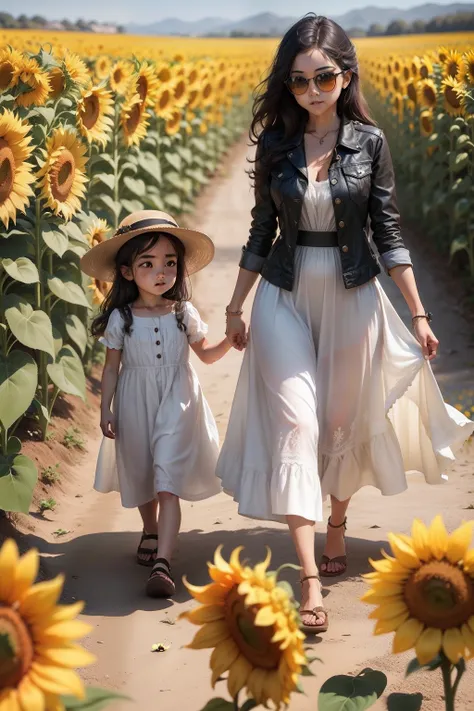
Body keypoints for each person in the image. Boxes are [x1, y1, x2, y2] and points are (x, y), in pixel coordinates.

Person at [217, 14, 474, 634]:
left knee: (338, 421)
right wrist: (233, 304)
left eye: (323, 77)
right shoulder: (276, 145)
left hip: (352, 290)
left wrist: (417, 310)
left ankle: (336, 523)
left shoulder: (372, 143)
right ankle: (308, 577)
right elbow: (260, 230)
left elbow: (387, 233)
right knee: (297, 423)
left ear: (344, 76)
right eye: (299, 80)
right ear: (288, 85)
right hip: (283, 291)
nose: (312, 90)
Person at [81, 210, 230, 598]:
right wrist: (106, 408)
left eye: (170, 263)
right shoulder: (122, 318)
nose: (161, 272)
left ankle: (163, 561)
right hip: (134, 400)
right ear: (128, 272)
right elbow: (112, 369)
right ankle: (150, 528)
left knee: (167, 478)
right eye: (148, 263)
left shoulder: (183, 312)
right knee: (143, 471)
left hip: (178, 401)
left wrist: (232, 339)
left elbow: (208, 355)